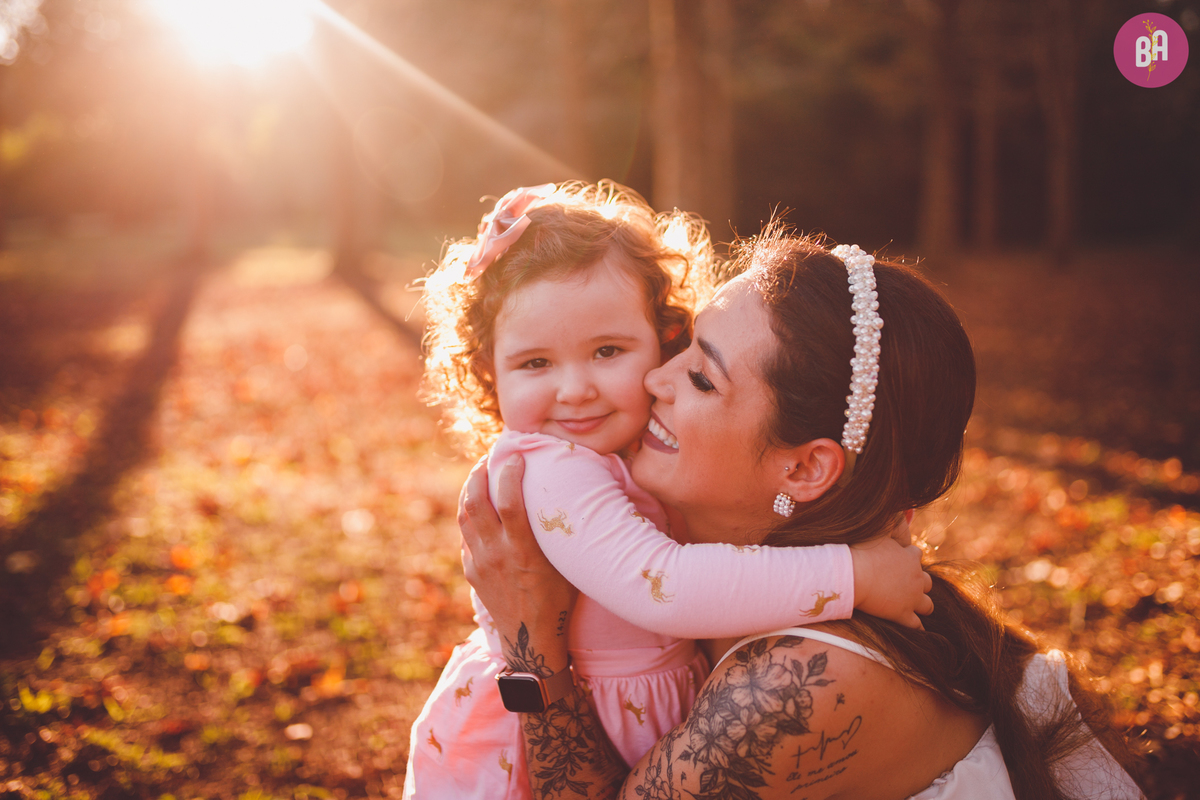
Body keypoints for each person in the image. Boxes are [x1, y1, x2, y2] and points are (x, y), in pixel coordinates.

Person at [460, 228, 1145, 800]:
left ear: (805, 468)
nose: (653, 379)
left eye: (700, 377)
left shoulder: (791, 686)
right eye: (682, 347)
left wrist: (532, 650)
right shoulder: (749, 565)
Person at [405, 183, 933, 799]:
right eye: (535, 364)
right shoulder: (550, 468)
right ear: (487, 372)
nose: (575, 389)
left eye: (607, 351)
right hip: (528, 749)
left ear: (661, 336)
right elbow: (663, 584)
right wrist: (854, 574)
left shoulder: (615, 453)